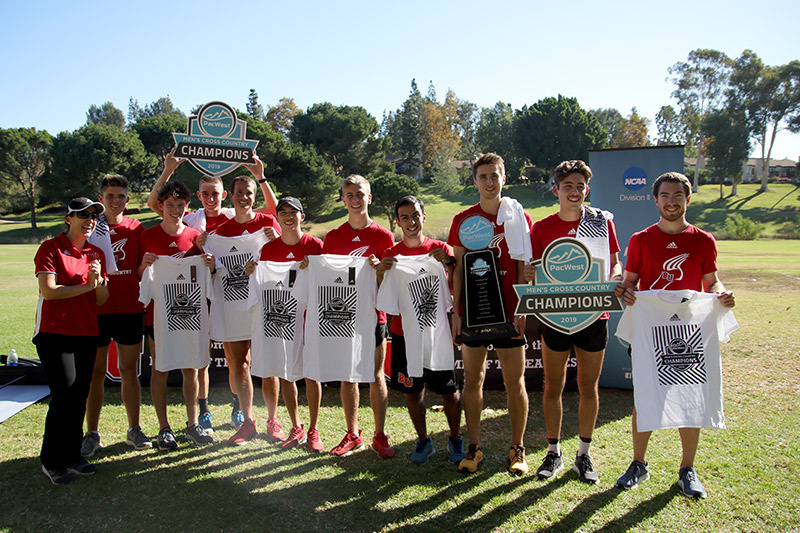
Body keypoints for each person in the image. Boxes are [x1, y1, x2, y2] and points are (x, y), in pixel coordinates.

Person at [613, 171, 736, 498]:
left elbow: (712, 282)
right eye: (665, 195)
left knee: (691, 398)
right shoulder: (640, 239)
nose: (671, 201)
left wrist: (722, 294)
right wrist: (623, 292)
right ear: (655, 200)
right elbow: (629, 282)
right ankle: (639, 463)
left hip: (689, 332)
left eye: (677, 195)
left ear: (688, 198)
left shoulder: (703, 240)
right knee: (645, 396)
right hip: (651, 331)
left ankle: (687, 469)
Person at [147, 151, 276, 432]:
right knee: (205, 357)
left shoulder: (233, 216)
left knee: (241, 360)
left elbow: (269, 213)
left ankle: (241, 410)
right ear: (199, 195)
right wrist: (168, 169)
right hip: (203, 296)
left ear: (223, 195)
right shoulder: (192, 221)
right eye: (205, 193)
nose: (211, 198)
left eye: (215, 193)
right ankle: (204, 411)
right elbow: (160, 206)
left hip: (240, 298)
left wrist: (260, 176)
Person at [522, 160, 622, 484]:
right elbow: (532, 271)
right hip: (556, 316)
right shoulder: (541, 228)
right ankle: (553, 452)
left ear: (587, 190)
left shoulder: (601, 222)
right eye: (568, 186)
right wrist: (527, 275)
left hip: (594, 314)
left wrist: (616, 280)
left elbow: (615, 264)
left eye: (580, 186)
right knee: (553, 386)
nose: (575, 192)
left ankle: (583, 454)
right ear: (556, 190)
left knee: (587, 386)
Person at [448, 153, 531, 474]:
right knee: (473, 379)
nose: (489, 182)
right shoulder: (463, 220)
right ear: (474, 181)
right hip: (475, 313)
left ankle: (518, 449)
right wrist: (456, 310)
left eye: (494, 175)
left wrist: (523, 306)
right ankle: (474, 446)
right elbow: (457, 270)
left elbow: (525, 268)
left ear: (503, 178)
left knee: (515, 382)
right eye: (482, 177)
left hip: (511, 311)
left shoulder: (518, 216)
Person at [378, 196, 465, 464]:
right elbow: (383, 294)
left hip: (436, 334)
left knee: (449, 392)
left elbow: (454, 289)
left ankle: (455, 438)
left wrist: (449, 263)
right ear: (398, 222)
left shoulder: (439, 249)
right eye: (404, 217)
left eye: (415, 215)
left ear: (423, 216)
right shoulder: (391, 255)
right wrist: (382, 271)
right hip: (405, 335)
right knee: (412, 392)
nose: (411, 221)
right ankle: (423, 441)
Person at [34, 197, 109, 484]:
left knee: (79, 396)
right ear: (69, 219)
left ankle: (72, 456)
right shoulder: (50, 248)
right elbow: (49, 291)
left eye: (93, 216)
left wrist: (98, 283)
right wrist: (86, 285)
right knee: (64, 395)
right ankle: (52, 461)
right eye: (83, 215)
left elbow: (101, 299)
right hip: (54, 333)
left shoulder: (95, 253)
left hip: (86, 333)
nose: (90, 220)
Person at [320, 174, 395, 458]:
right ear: (342, 199)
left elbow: (389, 283)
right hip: (342, 318)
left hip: (374, 317)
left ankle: (379, 434)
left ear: (369, 197)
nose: (354, 200)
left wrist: (378, 271)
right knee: (347, 376)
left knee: (376, 375)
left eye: (359, 194)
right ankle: (352, 433)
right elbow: (326, 280)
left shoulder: (383, 236)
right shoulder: (334, 236)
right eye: (349, 194)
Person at [139, 181, 216, 450]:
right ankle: (164, 428)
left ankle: (192, 425)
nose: (175, 210)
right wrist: (144, 265)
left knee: (191, 368)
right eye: (170, 205)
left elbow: (209, 273)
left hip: (191, 316)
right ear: (161, 206)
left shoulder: (197, 236)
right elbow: (141, 277)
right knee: (160, 368)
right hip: (158, 316)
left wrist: (210, 264)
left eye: (180, 205)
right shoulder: (147, 235)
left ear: (187, 207)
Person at [245, 196, 325, 451]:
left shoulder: (316, 245)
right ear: (277, 218)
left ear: (303, 216)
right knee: (287, 374)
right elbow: (265, 286)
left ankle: (313, 429)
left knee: (312, 375)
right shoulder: (268, 250)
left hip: (310, 320)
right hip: (282, 322)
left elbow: (328, 281)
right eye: (283, 212)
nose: (289, 216)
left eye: (294, 212)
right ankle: (296, 425)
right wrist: (252, 272)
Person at [208, 174, 280, 445]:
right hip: (232, 305)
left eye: (248, 192)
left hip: (263, 304)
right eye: (239, 192)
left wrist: (275, 240)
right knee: (240, 363)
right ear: (232, 194)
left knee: (268, 362)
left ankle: (273, 419)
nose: (244, 197)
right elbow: (211, 267)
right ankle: (247, 420)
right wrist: (207, 256)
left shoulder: (267, 224)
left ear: (254, 195)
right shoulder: (220, 234)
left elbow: (282, 254)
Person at [81, 175, 150, 458]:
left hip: (129, 309)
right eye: (109, 196)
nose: (115, 201)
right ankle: (92, 433)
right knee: (95, 374)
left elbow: (138, 272)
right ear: (101, 198)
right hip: (97, 310)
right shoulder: (90, 228)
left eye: (120, 196)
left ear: (127, 200)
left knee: (129, 371)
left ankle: (133, 429)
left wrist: (145, 267)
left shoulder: (136, 228)